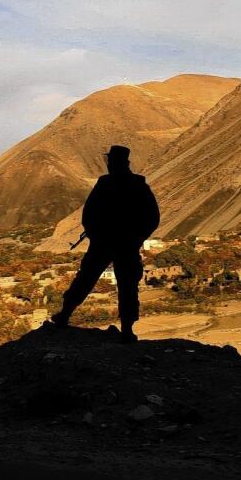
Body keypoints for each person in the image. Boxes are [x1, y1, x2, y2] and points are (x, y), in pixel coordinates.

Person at [49, 145, 160, 343]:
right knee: (127, 285)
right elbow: (152, 218)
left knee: (86, 279)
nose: (109, 165)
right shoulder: (138, 185)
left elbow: (89, 213)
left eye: (111, 162)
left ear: (116, 163)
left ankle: (64, 315)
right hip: (126, 245)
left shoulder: (105, 184)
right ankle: (127, 330)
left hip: (104, 243)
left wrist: (96, 234)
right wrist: (136, 238)